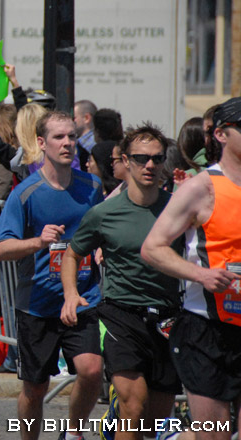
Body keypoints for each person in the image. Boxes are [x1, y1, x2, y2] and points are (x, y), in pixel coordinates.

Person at [62, 124, 182, 440]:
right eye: (141, 158)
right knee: (133, 405)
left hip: (168, 316)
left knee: (155, 420)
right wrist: (71, 294)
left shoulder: (179, 208)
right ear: (126, 162)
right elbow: (72, 254)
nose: (150, 165)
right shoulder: (105, 213)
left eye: (157, 158)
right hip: (121, 315)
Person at [0, 110, 104, 440]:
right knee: (35, 388)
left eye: (71, 136)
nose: (68, 143)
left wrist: (102, 248)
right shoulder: (25, 193)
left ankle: (73, 433)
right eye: (59, 137)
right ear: (41, 143)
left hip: (83, 298)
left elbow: (103, 231)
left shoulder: (92, 187)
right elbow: (0, 249)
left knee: (92, 370)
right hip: (37, 303)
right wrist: (37, 242)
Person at [141, 97, 241, 440]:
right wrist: (201, 274)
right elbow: (152, 248)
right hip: (207, 328)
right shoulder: (201, 188)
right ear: (223, 134)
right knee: (213, 435)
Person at [74, 100, 97, 165]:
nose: (70, 121)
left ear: (87, 118)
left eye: (74, 118)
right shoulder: (79, 141)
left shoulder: (92, 144)